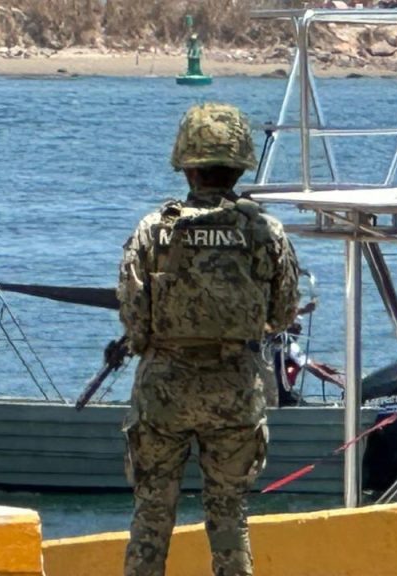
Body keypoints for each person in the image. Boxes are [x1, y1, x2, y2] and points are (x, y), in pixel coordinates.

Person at [116, 103, 300, 576]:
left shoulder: (154, 230)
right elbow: (282, 314)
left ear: (188, 166)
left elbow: (135, 319)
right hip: (235, 389)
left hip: (163, 391)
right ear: (240, 166)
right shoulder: (264, 231)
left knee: (151, 515)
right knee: (229, 515)